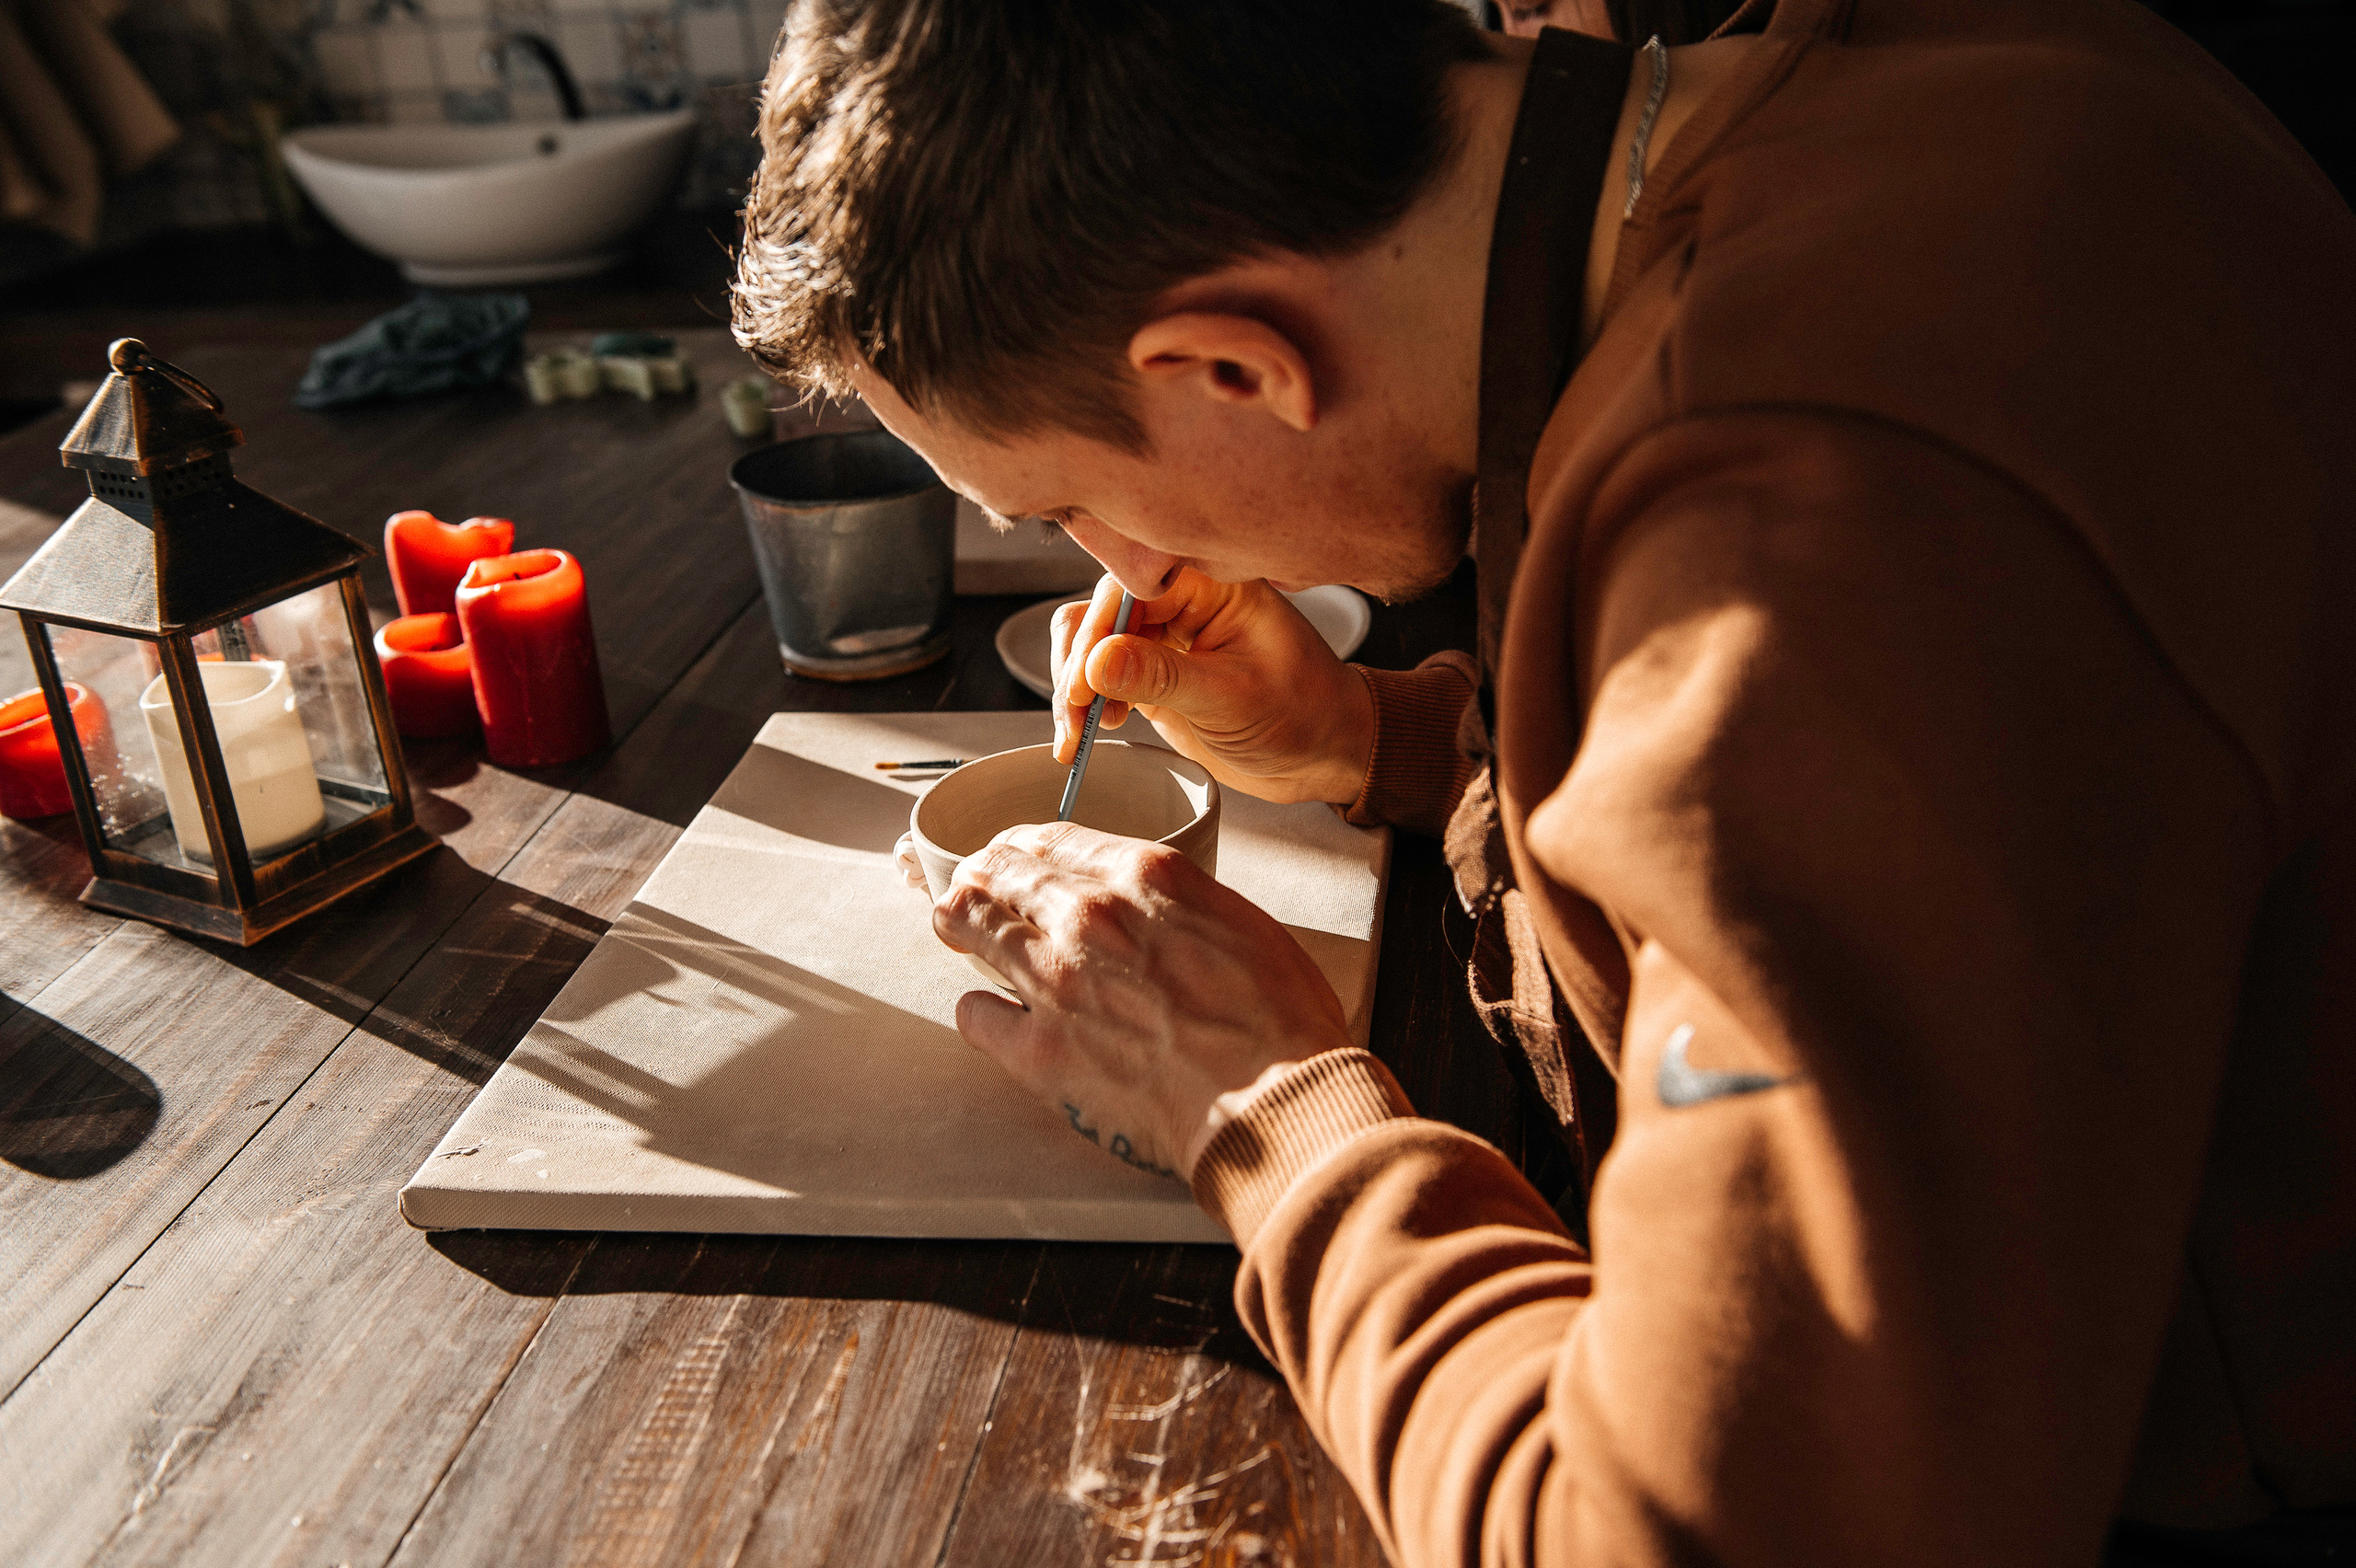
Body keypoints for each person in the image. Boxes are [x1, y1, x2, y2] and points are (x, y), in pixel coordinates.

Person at [731, 1, 2356, 1562]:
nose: (1121, 568)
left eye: (1072, 501)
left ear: (1235, 368)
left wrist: (1258, 1104)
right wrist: (1390, 747)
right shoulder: (1912, 76)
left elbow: (1716, 1541)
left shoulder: (1815, 539)